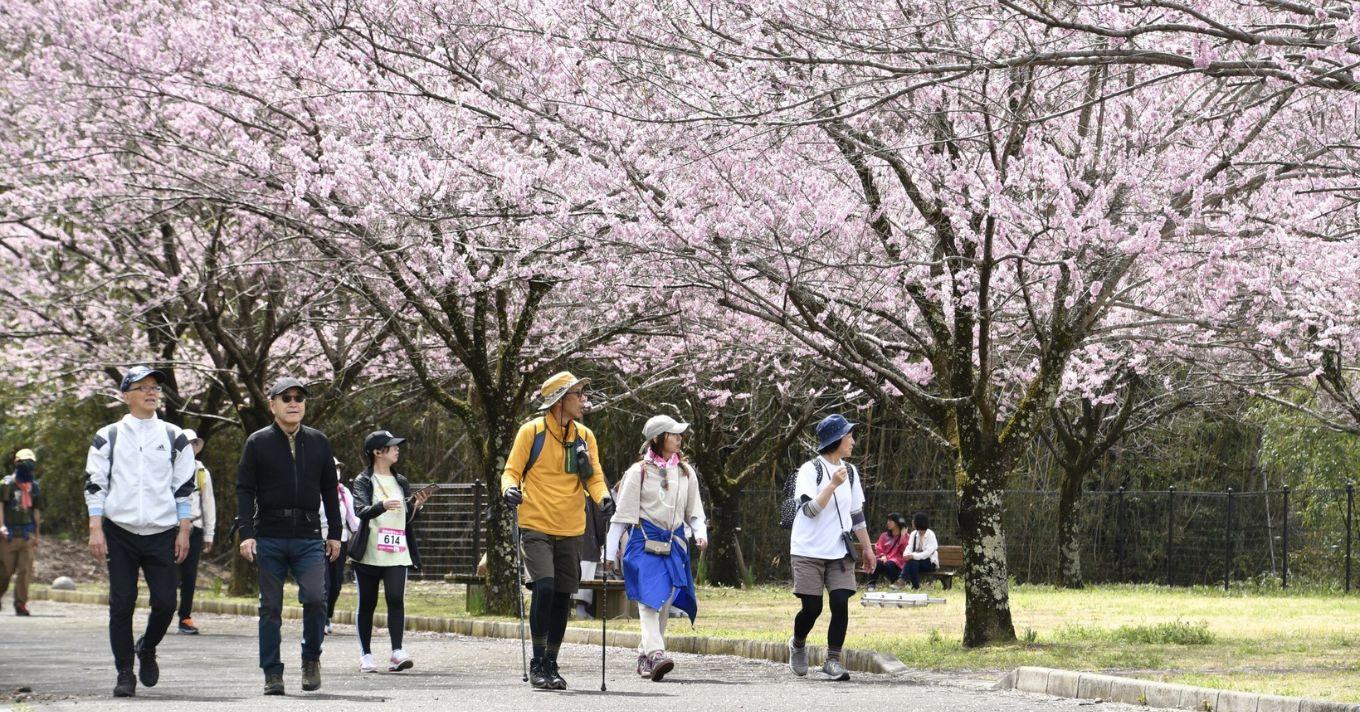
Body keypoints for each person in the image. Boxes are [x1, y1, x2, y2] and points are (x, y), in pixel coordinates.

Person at [83, 365, 196, 697]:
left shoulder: (174, 436)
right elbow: (95, 483)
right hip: (119, 532)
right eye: (142, 386)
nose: (151, 392)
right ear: (125, 395)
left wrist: (184, 529)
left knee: (165, 603)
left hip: (162, 531)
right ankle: (124, 672)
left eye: (155, 387)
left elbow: (184, 487)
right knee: (122, 602)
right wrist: (95, 528)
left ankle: (146, 646)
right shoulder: (108, 435)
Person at [501, 371, 614, 691]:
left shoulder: (584, 437)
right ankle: (538, 662)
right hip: (535, 524)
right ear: (560, 400)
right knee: (545, 587)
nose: (583, 400)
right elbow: (511, 471)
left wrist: (603, 498)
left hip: (571, 527)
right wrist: (509, 490)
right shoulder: (531, 432)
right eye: (577, 394)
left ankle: (552, 661)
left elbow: (594, 477)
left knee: (563, 595)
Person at [236, 377, 341, 696]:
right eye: (286, 398)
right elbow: (245, 489)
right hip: (269, 534)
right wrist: (246, 534)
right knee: (270, 607)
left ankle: (311, 659)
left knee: (315, 597)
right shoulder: (257, 442)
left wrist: (334, 533)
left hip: (309, 535)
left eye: (299, 398)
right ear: (272, 404)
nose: (294, 403)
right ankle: (272, 672)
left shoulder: (319, 441)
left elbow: (329, 489)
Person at [604, 415, 707, 681]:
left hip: (674, 544)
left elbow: (694, 511)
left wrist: (699, 532)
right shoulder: (637, 472)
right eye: (673, 434)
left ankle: (645, 656)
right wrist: (608, 551)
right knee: (649, 599)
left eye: (679, 434)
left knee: (664, 601)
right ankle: (657, 652)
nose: (679, 438)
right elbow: (621, 517)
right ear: (658, 438)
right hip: (643, 542)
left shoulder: (686, 472)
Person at [786, 414, 875, 682]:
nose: (853, 441)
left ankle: (833, 661)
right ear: (837, 439)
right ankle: (798, 643)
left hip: (839, 550)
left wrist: (868, 549)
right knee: (812, 608)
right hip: (808, 550)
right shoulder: (809, 470)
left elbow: (856, 514)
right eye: (850, 436)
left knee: (840, 603)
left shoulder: (850, 471)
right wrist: (832, 485)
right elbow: (810, 510)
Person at [349, 430, 432, 673]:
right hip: (369, 552)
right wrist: (381, 505)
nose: (397, 449)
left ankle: (397, 651)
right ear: (377, 452)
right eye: (392, 446)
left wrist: (416, 506)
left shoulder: (401, 481)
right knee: (368, 603)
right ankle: (366, 654)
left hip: (397, 550)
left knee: (396, 599)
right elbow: (360, 511)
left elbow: (406, 518)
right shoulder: (363, 481)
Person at [177, 430, 215, 634]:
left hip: (195, 527)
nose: (189, 447)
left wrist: (209, 534)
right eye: (185, 443)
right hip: (171, 529)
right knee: (167, 574)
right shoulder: (167, 468)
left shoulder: (202, 472)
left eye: (193, 444)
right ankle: (161, 612)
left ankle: (185, 617)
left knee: (189, 576)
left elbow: (209, 504)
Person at [0, 448, 44, 616]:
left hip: (27, 535)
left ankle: (21, 604)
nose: (27, 466)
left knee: (25, 571)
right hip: (8, 535)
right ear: (16, 464)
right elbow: (1, 505)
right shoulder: (7, 484)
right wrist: (1, 526)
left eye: (30, 463)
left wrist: (37, 535)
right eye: (24, 462)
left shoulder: (34, 487)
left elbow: (36, 511)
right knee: (4, 572)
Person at [322, 457, 360, 634]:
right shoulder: (313, 489)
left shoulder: (344, 492)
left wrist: (362, 535)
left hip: (341, 541)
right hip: (318, 542)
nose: (336, 471)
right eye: (333, 468)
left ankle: (328, 615)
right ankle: (320, 619)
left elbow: (353, 518)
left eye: (338, 468)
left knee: (336, 583)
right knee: (324, 583)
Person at [572, 495, 611, 619]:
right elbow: (600, 516)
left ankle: (577, 608)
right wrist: (601, 540)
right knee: (585, 572)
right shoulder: (593, 481)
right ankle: (580, 608)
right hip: (586, 539)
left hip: (568, 537)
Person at [865, 512, 907, 591]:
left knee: (890, 564)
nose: (888, 523)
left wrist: (903, 536)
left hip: (897, 562)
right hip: (884, 559)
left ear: (897, 522)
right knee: (877, 562)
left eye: (890, 521)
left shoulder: (906, 536)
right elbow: (879, 548)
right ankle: (871, 584)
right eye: (888, 521)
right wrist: (882, 556)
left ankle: (895, 585)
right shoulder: (884, 535)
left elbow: (904, 550)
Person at [901, 512, 939, 590]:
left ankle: (902, 580)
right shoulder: (913, 534)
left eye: (914, 520)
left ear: (918, 522)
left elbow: (928, 553)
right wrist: (906, 555)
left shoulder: (931, 534)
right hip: (916, 562)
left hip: (929, 563)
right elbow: (909, 547)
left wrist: (913, 556)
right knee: (913, 563)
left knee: (912, 562)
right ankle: (915, 587)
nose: (912, 522)